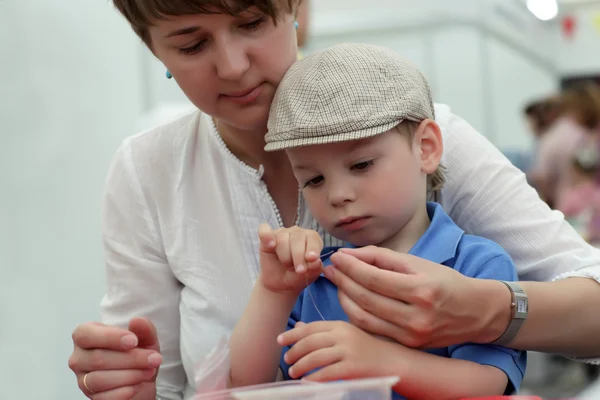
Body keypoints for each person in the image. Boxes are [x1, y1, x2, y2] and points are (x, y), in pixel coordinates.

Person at [67, 1, 600, 400]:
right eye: (191, 44)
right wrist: (128, 386)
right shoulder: (149, 170)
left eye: (251, 21)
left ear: (296, 8)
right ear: (153, 49)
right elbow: (207, 381)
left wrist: (488, 310)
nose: (232, 66)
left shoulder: (410, 128)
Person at [228, 43, 527, 400]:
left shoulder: (476, 264)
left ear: (426, 147)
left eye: (361, 165)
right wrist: (273, 292)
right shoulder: (315, 280)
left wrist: (383, 361)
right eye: (314, 180)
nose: (337, 195)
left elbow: (489, 384)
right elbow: (246, 385)